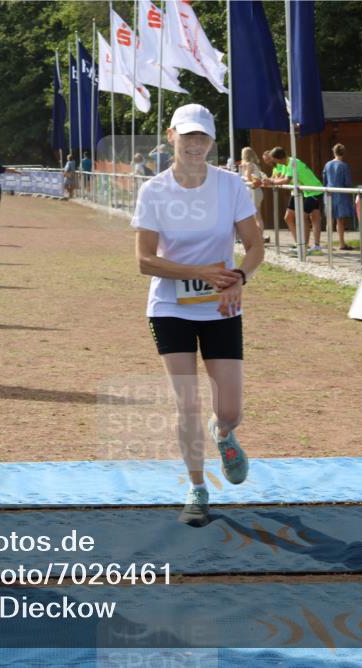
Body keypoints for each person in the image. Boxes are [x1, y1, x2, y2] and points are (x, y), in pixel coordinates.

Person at [131, 104, 264, 528]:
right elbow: (145, 261)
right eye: (187, 136)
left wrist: (239, 277)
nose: (195, 144)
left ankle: (223, 435)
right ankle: (197, 487)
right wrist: (199, 273)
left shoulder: (231, 187)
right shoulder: (154, 190)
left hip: (222, 306)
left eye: (202, 137)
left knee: (230, 410)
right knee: (186, 402)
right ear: (171, 136)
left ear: (211, 141)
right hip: (171, 307)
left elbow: (256, 246)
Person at [264, 147, 324, 251]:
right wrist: (270, 180)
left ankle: (304, 246)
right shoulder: (289, 162)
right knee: (313, 217)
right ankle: (311, 245)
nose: (275, 163)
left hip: (314, 190)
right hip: (308, 192)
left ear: (279, 159)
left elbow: (287, 180)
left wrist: (272, 182)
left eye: (275, 160)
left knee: (304, 217)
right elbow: (283, 178)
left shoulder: (291, 162)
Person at [322, 143, 354, 250]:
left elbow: (324, 179)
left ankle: (329, 244)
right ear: (343, 153)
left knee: (329, 220)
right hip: (340, 194)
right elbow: (348, 182)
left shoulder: (327, 164)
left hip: (329, 192)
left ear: (334, 152)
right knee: (340, 220)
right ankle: (341, 243)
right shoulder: (344, 166)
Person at [238, 147, 267, 242]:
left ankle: (259, 237)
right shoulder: (251, 164)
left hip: (253, 190)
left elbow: (249, 178)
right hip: (251, 191)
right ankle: (257, 236)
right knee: (254, 215)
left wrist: (241, 176)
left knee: (256, 215)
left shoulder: (250, 164)